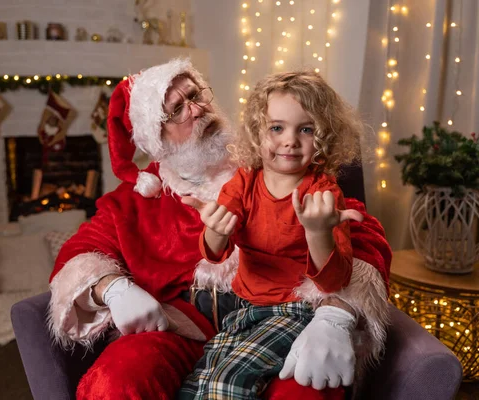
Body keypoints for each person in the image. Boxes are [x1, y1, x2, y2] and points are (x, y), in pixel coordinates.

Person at [47, 59, 392, 400]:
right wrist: (113, 289)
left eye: (195, 95)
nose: (196, 110)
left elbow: (360, 232)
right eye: (175, 110)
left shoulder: (269, 162)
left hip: (281, 313)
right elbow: (81, 250)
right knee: (116, 382)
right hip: (177, 328)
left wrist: (336, 314)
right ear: (155, 137)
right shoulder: (135, 201)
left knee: (303, 391)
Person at [178, 71, 370, 399]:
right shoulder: (244, 181)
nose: (289, 141)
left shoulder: (323, 192)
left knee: (228, 382)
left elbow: (334, 280)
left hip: (295, 311)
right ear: (258, 133)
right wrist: (215, 229)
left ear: (323, 135)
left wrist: (317, 232)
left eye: (306, 129)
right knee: (196, 386)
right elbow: (212, 254)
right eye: (277, 127)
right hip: (241, 310)